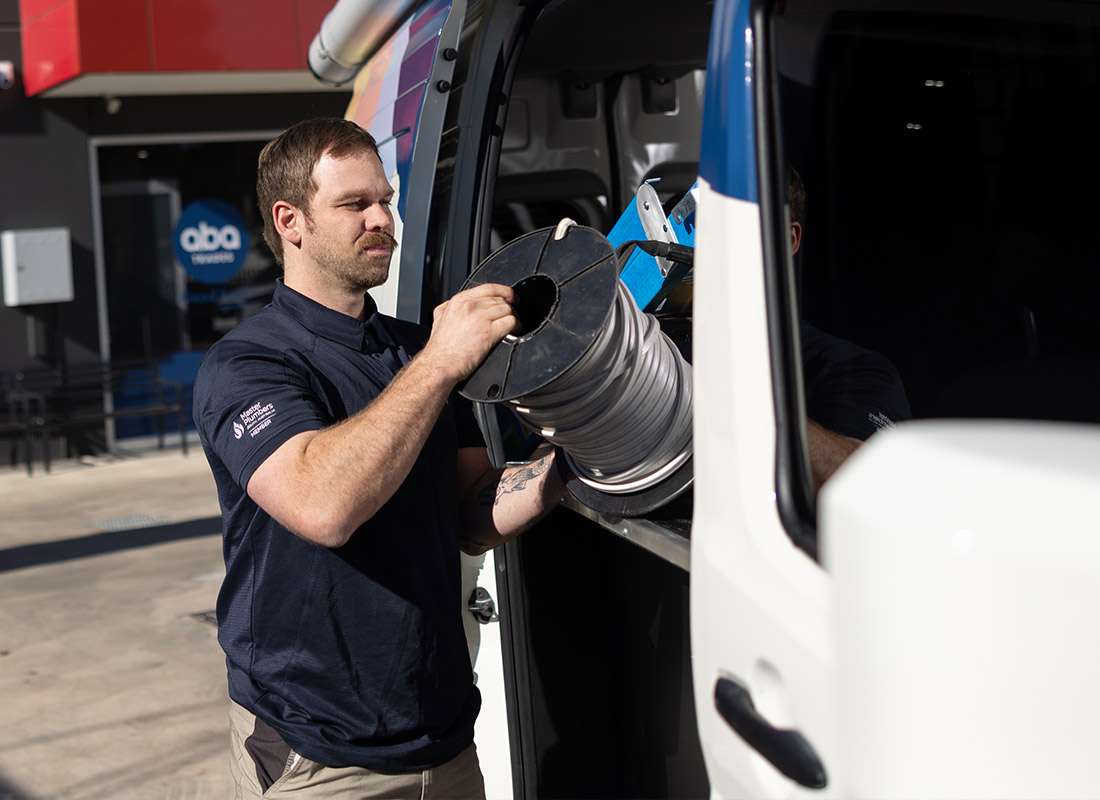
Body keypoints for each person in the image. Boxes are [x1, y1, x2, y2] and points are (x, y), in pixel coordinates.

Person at [192, 117, 567, 798]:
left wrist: (570, 458)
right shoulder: (247, 363)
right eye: (354, 204)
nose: (381, 219)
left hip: (445, 741)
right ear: (290, 221)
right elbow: (322, 506)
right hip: (319, 757)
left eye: (386, 200)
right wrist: (443, 362)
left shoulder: (411, 349)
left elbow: (471, 514)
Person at [788, 165, 912, 491]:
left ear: (789, 240)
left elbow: (868, 482)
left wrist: (743, 397)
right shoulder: (657, 338)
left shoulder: (856, 371)